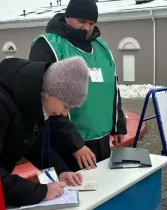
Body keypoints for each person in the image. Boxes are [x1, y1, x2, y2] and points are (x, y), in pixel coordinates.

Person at [29, 0, 127, 172]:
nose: (87, 28)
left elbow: (113, 89)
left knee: (104, 190)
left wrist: (118, 126)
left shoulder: (101, 47)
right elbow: (44, 99)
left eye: (91, 23)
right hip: (68, 144)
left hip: (102, 140)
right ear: (67, 17)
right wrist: (75, 144)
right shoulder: (48, 45)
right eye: (81, 21)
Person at [0, 56, 90, 206]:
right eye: (66, 106)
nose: (64, 114)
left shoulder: (32, 99)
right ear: (49, 92)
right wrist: (40, 192)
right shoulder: (3, 106)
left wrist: (61, 171)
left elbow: (34, 143)